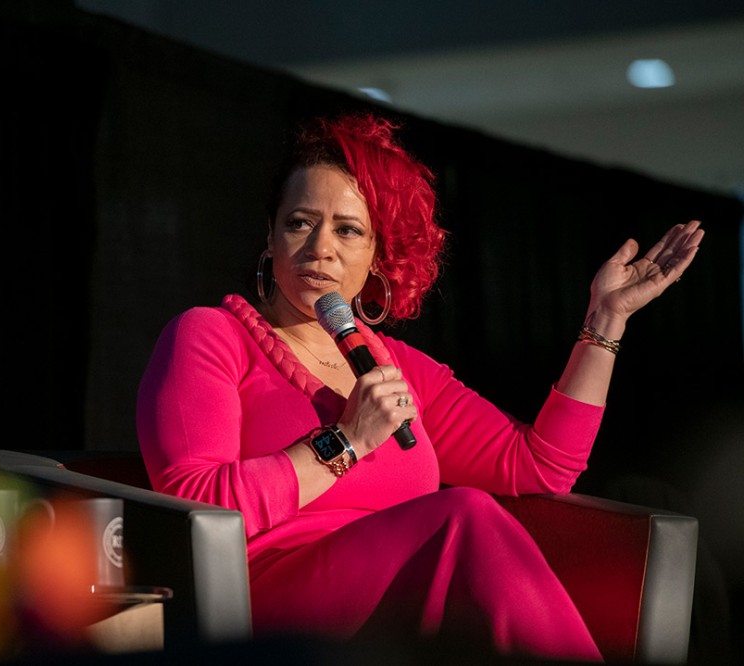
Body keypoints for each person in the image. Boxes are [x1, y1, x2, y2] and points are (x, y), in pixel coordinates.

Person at [135, 112, 703, 661]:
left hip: (399, 608)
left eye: (348, 230)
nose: (320, 247)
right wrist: (346, 440)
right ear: (270, 234)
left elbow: (542, 465)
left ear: (379, 255)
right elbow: (191, 502)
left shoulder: (399, 368)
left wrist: (604, 321)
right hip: (265, 600)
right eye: (299, 222)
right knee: (464, 517)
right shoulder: (211, 335)